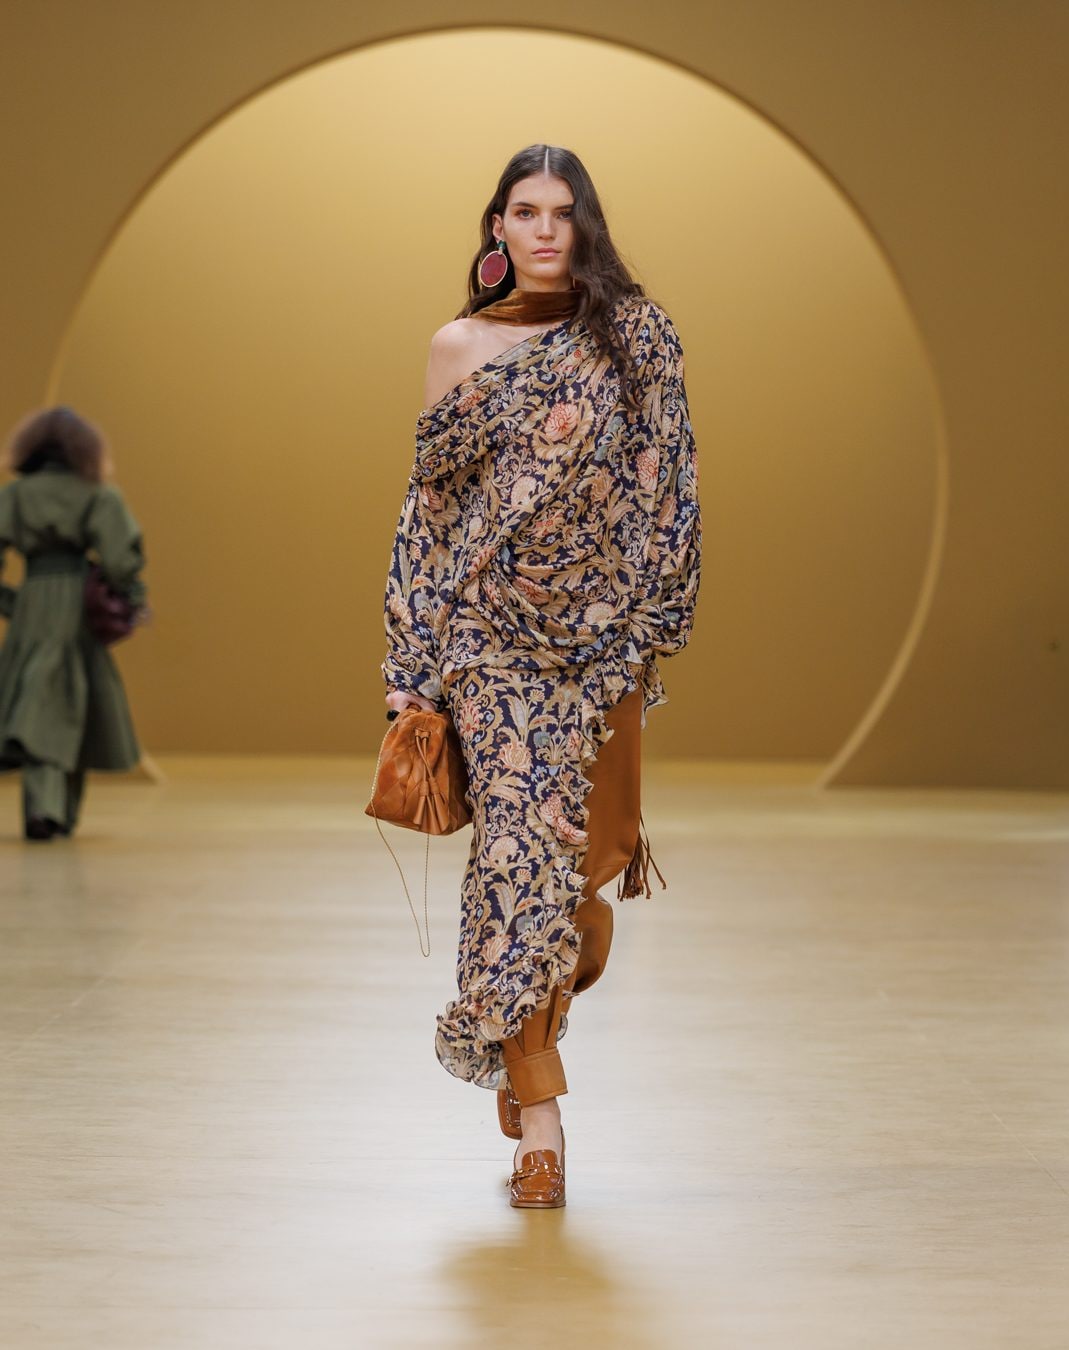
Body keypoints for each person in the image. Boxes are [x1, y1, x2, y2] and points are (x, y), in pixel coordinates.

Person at [380, 144, 702, 1207]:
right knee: (516, 854)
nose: (546, 229)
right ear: (499, 228)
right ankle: (543, 1122)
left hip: (600, 645)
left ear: (586, 223)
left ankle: (528, 1033)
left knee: (576, 872)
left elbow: (671, 485)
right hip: (490, 638)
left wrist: (651, 623)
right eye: (526, 211)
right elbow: (432, 510)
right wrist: (412, 660)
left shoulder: (637, 338)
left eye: (564, 212)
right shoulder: (460, 346)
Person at [0, 406, 148, 840]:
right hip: (76, 606)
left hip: (32, 603)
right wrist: (129, 598)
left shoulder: (15, 495)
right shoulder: (98, 494)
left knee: (36, 699)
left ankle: (46, 809)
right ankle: (57, 811)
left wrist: (11, 602)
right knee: (73, 701)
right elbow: (121, 559)